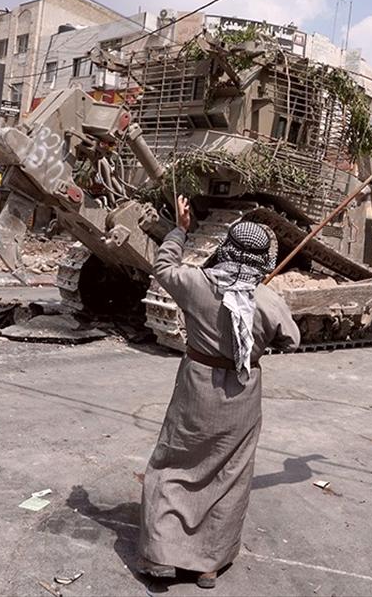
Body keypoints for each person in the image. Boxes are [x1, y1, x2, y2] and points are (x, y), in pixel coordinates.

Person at [138, 196, 301, 589]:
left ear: (226, 246)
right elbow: (292, 340)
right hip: (241, 395)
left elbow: (163, 266)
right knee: (228, 474)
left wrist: (181, 227)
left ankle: (162, 555)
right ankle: (207, 564)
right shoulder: (266, 300)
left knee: (174, 461)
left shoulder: (196, 283)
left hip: (196, 385)